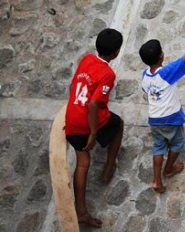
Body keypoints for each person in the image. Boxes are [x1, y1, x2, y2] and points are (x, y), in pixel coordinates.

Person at [139, 26, 185, 193]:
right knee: (177, 143)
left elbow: (146, 90)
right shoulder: (166, 72)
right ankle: (169, 168)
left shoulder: (145, 74)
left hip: (154, 119)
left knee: (159, 147)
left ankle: (156, 181)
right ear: (161, 55)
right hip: (170, 118)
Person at [64, 28, 124, 228]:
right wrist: (93, 132)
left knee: (83, 163)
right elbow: (93, 104)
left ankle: (81, 211)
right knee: (118, 125)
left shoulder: (86, 59)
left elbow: (74, 85)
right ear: (116, 52)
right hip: (87, 122)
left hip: (72, 120)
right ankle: (108, 168)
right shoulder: (108, 74)